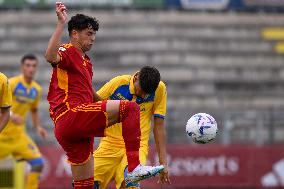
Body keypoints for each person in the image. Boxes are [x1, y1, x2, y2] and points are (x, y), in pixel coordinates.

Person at [45, 2, 164, 189]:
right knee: (131, 108)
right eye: (89, 34)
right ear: (74, 33)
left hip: (72, 128)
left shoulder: (86, 62)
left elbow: (89, 93)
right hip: (72, 114)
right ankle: (133, 168)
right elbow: (50, 57)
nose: (92, 39)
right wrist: (61, 24)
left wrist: (107, 107)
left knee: (84, 184)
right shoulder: (68, 51)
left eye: (94, 35)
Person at [93, 66, 171, 189]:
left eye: (147, 94)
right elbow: (93, 102)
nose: (143, 96)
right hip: (110, 144)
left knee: (130, 181)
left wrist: (163, 162)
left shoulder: (160, 89)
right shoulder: (118, 83)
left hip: (137, 146)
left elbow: (159, 126)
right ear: (136, 77)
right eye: (141, 90)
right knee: (89, 183)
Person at [0, 54, 47, 189]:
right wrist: (11, 114)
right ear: (22, 67)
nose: (31, 69)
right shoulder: (12, 83)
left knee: (38, 163)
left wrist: (38, 126)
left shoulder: (36, 89)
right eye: (28, 65)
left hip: (19, 136)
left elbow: (34, 110)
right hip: (2, 135)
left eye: (33, 66)